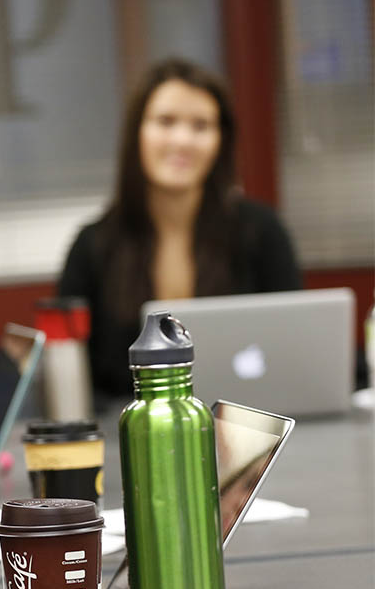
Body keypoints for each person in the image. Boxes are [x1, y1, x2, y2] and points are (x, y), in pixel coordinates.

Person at [58, 57, 302, 397]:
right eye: (165, 121)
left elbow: (297, 351)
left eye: (201, 126)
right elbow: (70, 379)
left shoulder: (261, 232)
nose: (182, 140)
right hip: (128, 439)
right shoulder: (93, 245)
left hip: (238, 428)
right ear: (137, 133)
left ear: (220, 141)